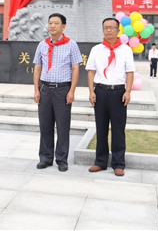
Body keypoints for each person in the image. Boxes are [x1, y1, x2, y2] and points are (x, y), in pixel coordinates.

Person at [33, 13, 83, 172]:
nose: (52, 26)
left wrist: (72, 90)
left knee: (62, 127)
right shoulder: (42, 45)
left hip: (62, 90)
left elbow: (75, 68)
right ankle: (45, 158)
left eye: (56, 23)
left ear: (63, 26)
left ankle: (61, 159)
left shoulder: (71, 45)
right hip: (45, 90)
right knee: (45, 126)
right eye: (50, 23)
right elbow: (37, 67)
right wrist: (36, 89)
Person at [86, 17, 135, 177]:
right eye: (105, 28)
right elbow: (91, 70)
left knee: (118, 129)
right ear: (102, 30)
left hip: (118, 93)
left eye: (112, 27)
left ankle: (118, 163)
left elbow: (129, 72)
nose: (108, 30)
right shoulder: (96, 50)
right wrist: (91, 91)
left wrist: (127, 91)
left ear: (118, 30)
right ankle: (100, 161)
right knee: (100, 128)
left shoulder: (126, 50)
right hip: (100, 91)